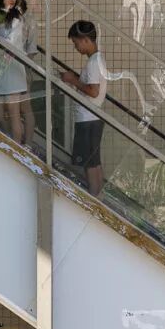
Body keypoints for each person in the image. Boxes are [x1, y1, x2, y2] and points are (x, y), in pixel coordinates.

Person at [0, 0, 36, 147]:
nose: (13, 0)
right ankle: (13, 140)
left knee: (14, 112)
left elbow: (11, 45)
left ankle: (16, 147)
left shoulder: (16, 19)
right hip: (0, 68)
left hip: (12, 67)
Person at [61, 20, 106, 197]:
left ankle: (94, 200)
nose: (76, 47)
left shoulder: (94, 63)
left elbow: (93, 91)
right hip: (92, 118)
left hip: (88, 119)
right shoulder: (97, 60)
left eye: (76, 43)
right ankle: (98, 198)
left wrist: (72, 80)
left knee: (90, 165)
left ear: (86, 40)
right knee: (94, 163)